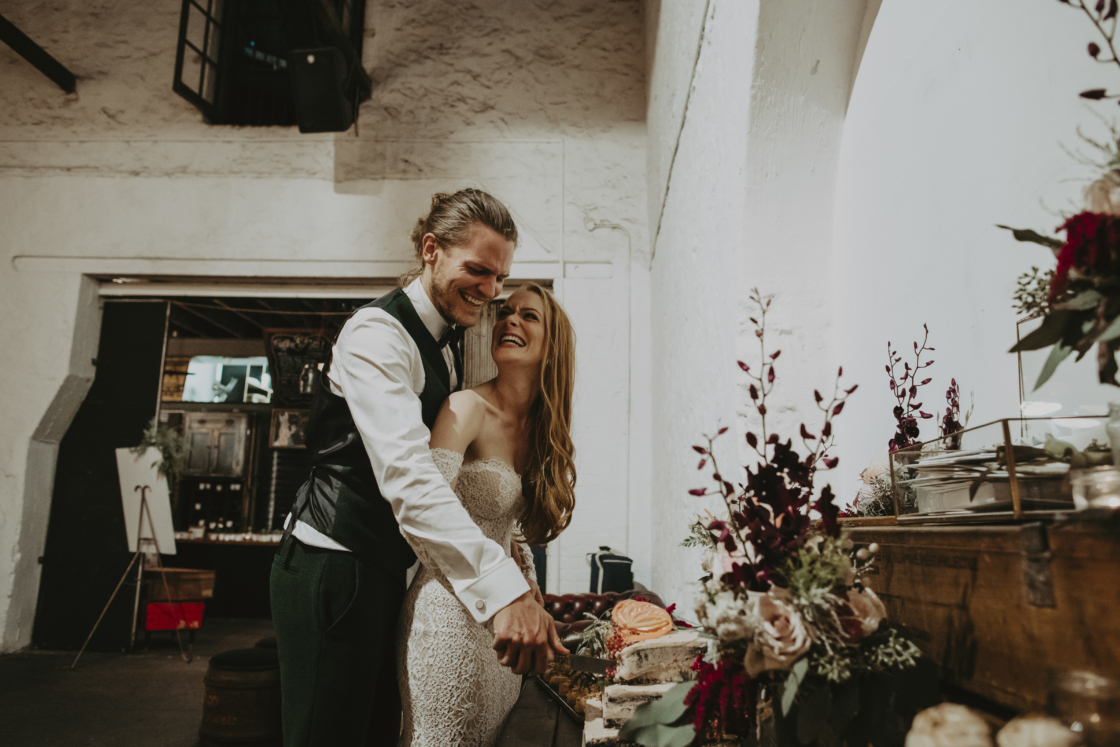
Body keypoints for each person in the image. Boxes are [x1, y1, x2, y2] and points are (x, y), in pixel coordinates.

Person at [269, 189, 567, 747]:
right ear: (431, 250)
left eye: (499, 277)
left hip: (389, 572)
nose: (490, 292)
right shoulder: (376, 335)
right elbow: (410, 478)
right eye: (477, 270)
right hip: (332, 563)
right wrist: (503, 592)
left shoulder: (446, 343)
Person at [397, 283, 577, 746]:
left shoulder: (540, 429)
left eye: (528, 315)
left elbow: (506, 528)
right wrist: (505, 591)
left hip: (507, 623)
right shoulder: (465, 408)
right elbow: (423, 509)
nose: (509, 319)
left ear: (553, 346)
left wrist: (528, 586)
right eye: (506, 311)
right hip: (448, 614)